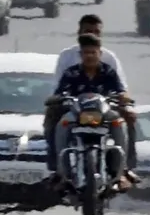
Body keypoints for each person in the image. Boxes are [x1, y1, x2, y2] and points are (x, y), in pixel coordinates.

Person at [54, 15, 138, 179]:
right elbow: (58, 88)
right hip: (75, 110)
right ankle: (59, 170)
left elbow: (122, 89)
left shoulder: (109, 65)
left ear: (99, 52)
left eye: (93, 52)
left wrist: (124, 99)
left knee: (125, 121)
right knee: (57, 123)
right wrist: (57, 99)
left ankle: (124, 169)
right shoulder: (70, 67)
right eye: (86, 53)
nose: (90, 56)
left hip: (105, 110)